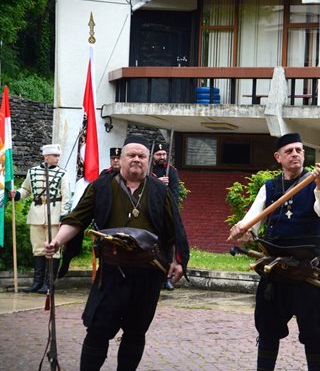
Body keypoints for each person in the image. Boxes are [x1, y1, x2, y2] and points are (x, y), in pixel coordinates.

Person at [44, 135, 190, 371]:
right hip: (112, 273)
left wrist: (178, 261)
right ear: (119, 160)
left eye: (142, 156)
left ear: (148, 161)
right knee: (98, 329)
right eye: (131, 155)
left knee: (135, 331)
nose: (136, 160)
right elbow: (77, 219)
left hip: (148, 272)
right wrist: (57, 241)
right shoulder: (101, 186)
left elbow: (175, 229)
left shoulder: (159, 191)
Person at [229, 132, 320, 371]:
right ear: (278, 157)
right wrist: (243, 229)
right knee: (268, 332)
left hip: (307, 273)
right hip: (276, 273)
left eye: (299, 150)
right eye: (289, 151)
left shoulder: (315, 181)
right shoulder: (270, 187)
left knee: (315, 335)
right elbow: (252, 220)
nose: (295, 154)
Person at [11, 144, 71, 294]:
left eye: (58, 156)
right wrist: (16, 194)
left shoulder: (63, 174)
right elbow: (26, 189)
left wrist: (64, 214)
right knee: (37, 249)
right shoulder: (32, 172)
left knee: (53, 249)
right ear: (45, 157)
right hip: (36, 213)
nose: (57, 158)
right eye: (54, 155)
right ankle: (37, 283)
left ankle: (49, 284)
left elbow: (66, 196)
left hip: (55, 213)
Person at [151, 142, 180, 291]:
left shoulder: (172, 171)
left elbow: (175, 193)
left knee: (168, 247)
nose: (162, 157)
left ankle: (167, 278)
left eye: (164, 154)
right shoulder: (148, 171)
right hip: (151, 214)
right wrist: (157, 183)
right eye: (158, 154)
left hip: (166, 214)